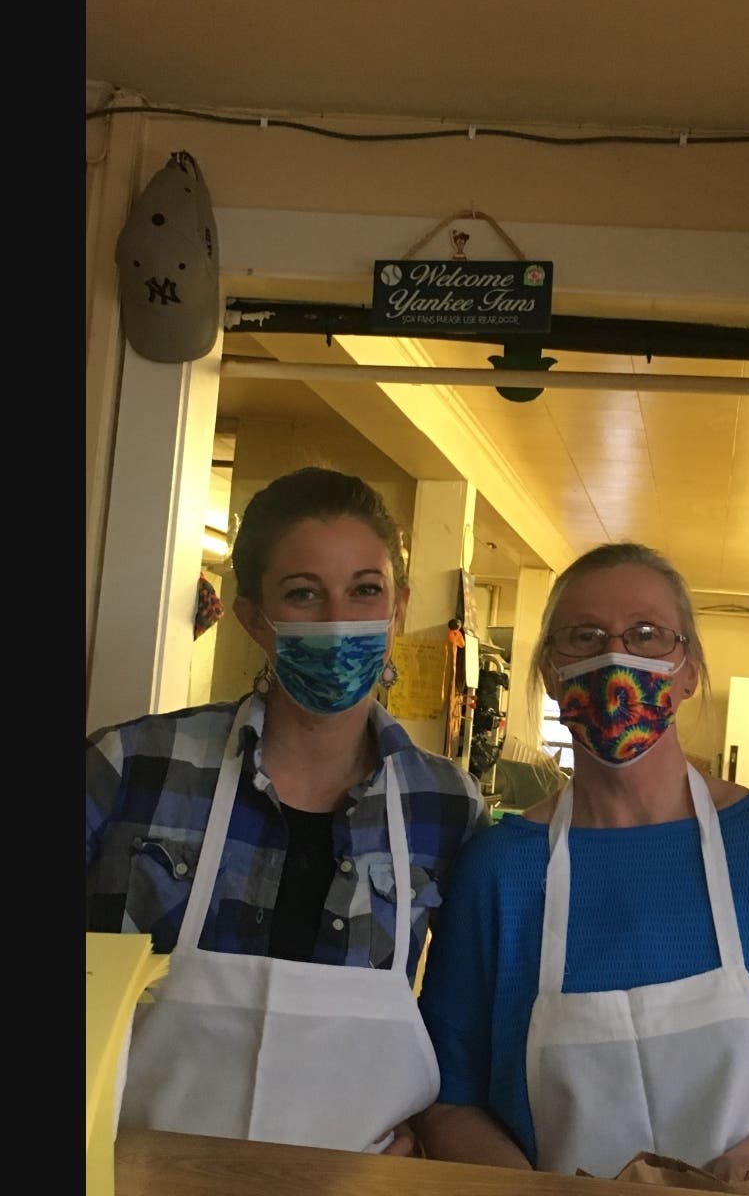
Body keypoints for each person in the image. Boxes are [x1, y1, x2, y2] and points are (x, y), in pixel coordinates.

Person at [412, 542, 749, 1195]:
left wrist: (734, 1179)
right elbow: (449, 1100)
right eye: (585, 637)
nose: (616, 657)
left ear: (688, 671)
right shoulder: (499, 873)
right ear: (551, 674)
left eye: (646, 635)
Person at [86, 466, 486, 1157]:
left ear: (398, 607)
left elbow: (456, 1031)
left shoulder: (445, 806)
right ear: (254, 619)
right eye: (304, 594)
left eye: (366, 590)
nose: (339, 622)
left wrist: (419, 1139)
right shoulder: (132, 766)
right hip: (134, 1174)